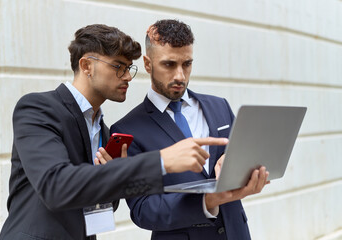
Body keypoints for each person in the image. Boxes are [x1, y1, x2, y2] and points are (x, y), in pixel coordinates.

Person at [0, 24, 229, 240]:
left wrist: (115, 175)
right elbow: (56, 186)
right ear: (86, 66)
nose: (128, 76)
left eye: (129, 68)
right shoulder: (38, 108)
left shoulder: (106, 132)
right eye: (118, 66)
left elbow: (104, 205)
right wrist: (161, 161)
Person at [107, 19, 270, 239]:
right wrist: (208, 200)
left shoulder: (219, 106)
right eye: (169, 64)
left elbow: (243, 159)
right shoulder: (128, 130)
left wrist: (238, 164)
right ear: (147, 64)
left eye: (187, 64)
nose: (180, 76)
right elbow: (143, 210)